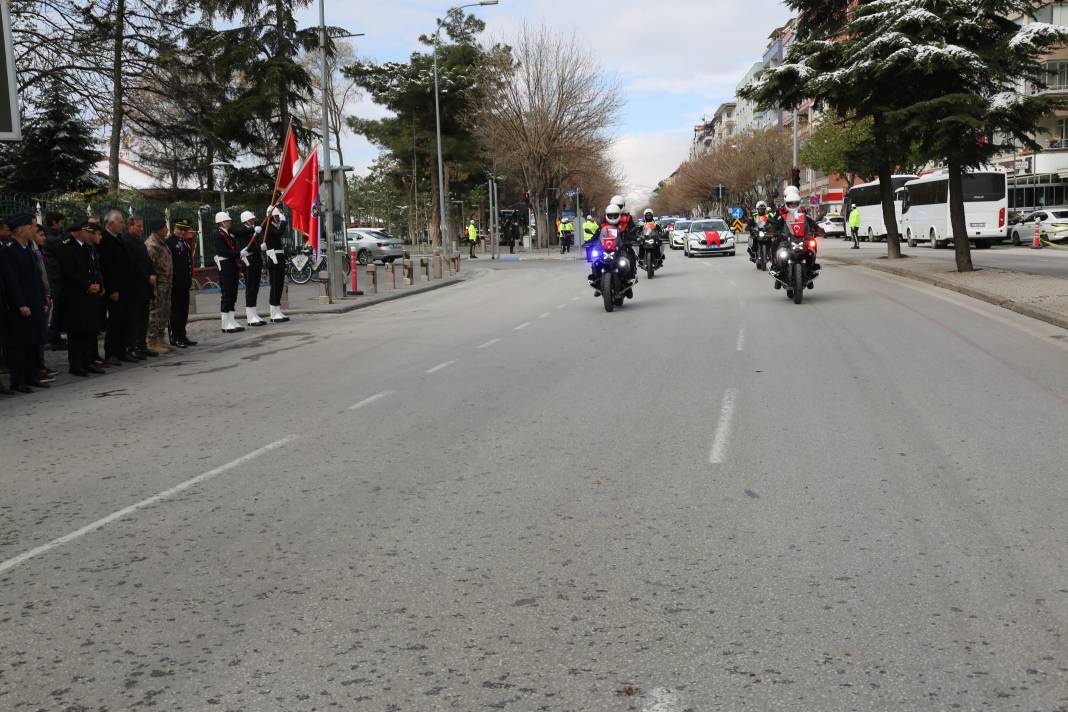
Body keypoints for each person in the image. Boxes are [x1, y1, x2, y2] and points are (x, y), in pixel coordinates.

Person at [0, 214, 50, 392]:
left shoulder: (28, 249)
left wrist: (44, 298)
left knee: (33, 341)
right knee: (19, 344)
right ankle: (18, 380)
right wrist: (20, 304)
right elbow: (11, 281)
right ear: (20, 230)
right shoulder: (8, 251)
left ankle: (31, 375)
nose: (33, 230)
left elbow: (36, 278)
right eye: (30, 227)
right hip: (21, 306)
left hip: (34, 302)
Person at [57, 220, 106, 376]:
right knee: (77, 332)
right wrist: (86, 285)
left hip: (90, 295)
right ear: (79, 231)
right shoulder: (67, 246)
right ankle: (76, 364)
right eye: (87, 232)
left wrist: (98, 284)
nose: (89, 235)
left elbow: (94, 269)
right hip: (76, 296)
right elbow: (68, 271)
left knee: (89, 330)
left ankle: (87, 361)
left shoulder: (87, 247)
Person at [123, 215, 158, 357]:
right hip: (135, 286)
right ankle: (132, 346)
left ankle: (142, 345)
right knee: (134, 319)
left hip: (145, 286)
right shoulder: (126, 241)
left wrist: (153, 273)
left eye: (142, 226)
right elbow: (134, 264)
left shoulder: (139, 242)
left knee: (143, 318)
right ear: (130, 226)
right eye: (138, 226)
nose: (141, 229)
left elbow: (147, 260)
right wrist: (147, 276)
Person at [770, 186, 822, 278]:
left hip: (802, 237)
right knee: (775, 243)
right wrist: (773, 231)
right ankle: (776, 265)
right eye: (791, 203)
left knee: (813, 243)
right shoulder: (781, 212)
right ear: (786, 199)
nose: (793, 205)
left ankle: (812, 265)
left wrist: (818, 230)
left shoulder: (802, 212)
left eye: (795, 203)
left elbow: (809, 221)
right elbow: (776, 223)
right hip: (786, 237)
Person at [230, 210, 267, 326]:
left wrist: (261, 246)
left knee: (255, 287)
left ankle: (254, 313)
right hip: (248, 261)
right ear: (245, 220)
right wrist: (253, 231)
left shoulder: (254, 230)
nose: (253, 221)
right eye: (251, 219)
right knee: (250, 287)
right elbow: (241, 234)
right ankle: (250, 316)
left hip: (256, 260)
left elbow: (257, 241)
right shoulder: (240, 230)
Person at [144, 219, 174, 353]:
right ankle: (152, 341)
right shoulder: (151, 245)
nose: (167, 230)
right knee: (155, 312)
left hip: (166, 283)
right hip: (158, 285)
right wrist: (153, 288)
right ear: (158, 229)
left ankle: (161, 338)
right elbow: (150, 268)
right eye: (165, 228)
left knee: (164, 312)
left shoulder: (162, 243)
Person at [166, 219, 198, 347]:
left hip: (184, 282)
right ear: (178, 229)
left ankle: (182, 334)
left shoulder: (184, 242)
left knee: (184, 310)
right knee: (175, 311)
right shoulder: (170, 242)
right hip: (175, 283)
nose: (185, 232)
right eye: (183, 230)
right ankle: (175, 337)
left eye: (186, 230)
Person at [213, 211, 245, 333]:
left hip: (232, 264)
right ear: (221, 222)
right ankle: (225, 323)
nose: (230, 222)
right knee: (227, 293)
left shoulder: (229, 234)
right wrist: (238, 253)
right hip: (225, 265)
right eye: (227, 221)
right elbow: (222, 251)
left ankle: (231, 319)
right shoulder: (218, 235)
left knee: (233, 293)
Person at [41, 212, 66, 350]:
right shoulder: (51, 238)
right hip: (54, 277)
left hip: (56, 276)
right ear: (54, 223)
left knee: (58, 309)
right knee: (55, 309)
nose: (62, 225)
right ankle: (53, 336)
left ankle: (55, 335)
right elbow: (62, 253)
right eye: (61, 223)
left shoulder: (54, 237)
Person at [262, 207, 289, 323]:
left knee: (279, 286)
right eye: (277, 216)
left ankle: (277, 310)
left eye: (279, 216)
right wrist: (283, 222)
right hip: (274, 259)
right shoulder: (267, 227)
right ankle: (273, 312)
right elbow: (279, 233)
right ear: (271, 216)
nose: (278, 218)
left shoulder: (273, 226)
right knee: (275, 285)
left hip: (278, 258)